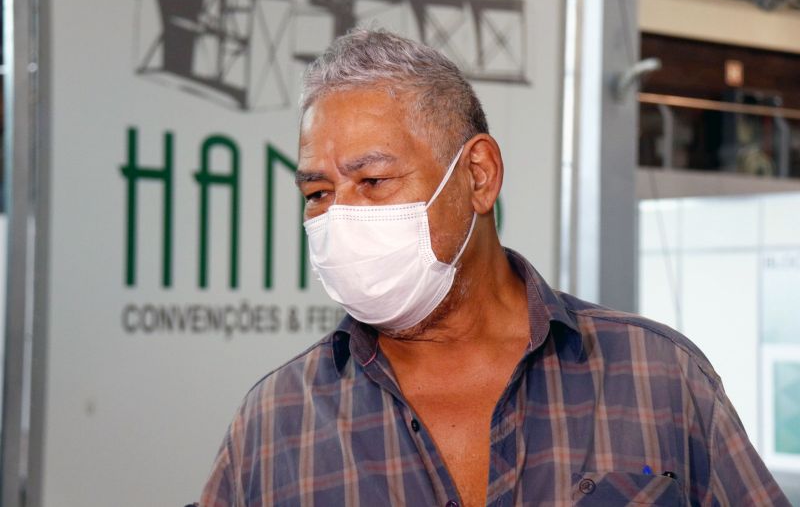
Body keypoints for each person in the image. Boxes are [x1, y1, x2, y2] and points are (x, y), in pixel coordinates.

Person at [198, 29, 789, 506]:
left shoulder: (657, 378)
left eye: (373, 181)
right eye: (318, 193)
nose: (339, 217)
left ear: (478, 175)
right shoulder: (277, 423)